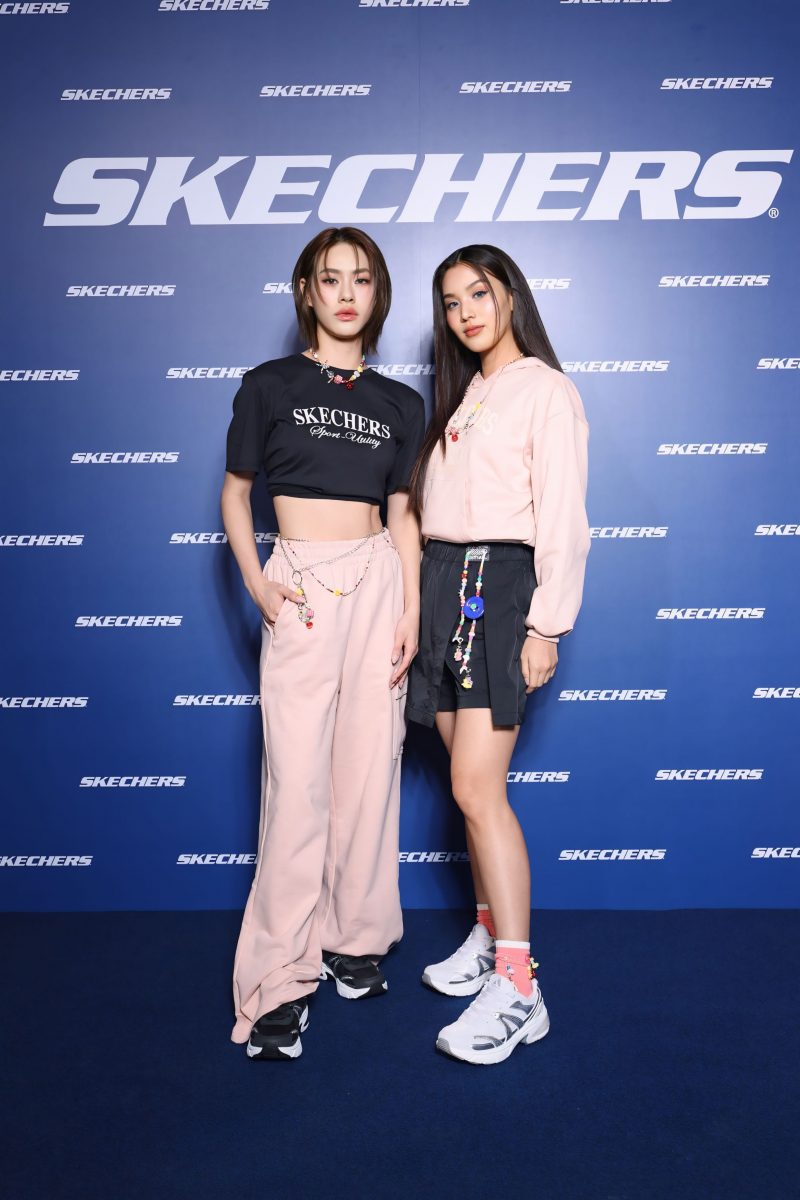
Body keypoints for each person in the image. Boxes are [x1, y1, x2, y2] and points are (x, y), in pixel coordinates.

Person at [221, 227, 425, 1061]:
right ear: (306, 290)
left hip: (379, 582)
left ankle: (354, 938)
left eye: (361, 279)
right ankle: (278, 977)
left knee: (369, 773)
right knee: (297, 784)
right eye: (330, 278)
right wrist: (259, 583)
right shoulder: (268, 384)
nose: (346, 293)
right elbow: (237, 494)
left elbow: (403, 515)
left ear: (378, 294)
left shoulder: (401, 403)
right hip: (301, 581)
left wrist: (412, 607)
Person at [406, 244, 590, 1065]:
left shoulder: (545, 389)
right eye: (451, 302)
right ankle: (487, 941)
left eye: (478, 294)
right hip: (444, 581)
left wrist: (546, 625)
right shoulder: (469, 393)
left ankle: (520, 987)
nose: (466, 313)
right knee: (467, 785)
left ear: (510, 294)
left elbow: (563, 517)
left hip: (498, 587)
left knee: (477, 790)